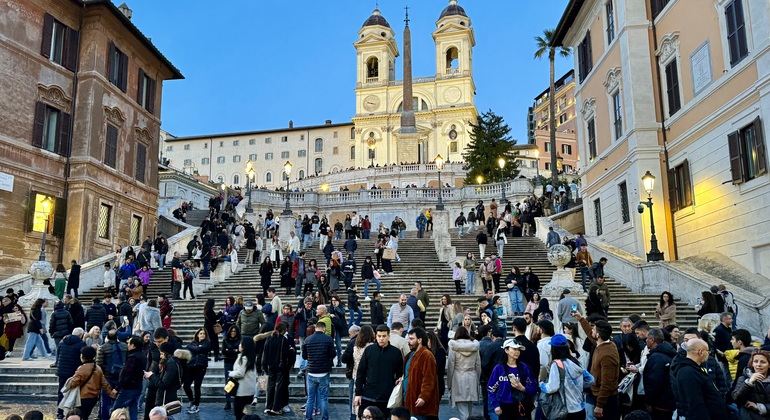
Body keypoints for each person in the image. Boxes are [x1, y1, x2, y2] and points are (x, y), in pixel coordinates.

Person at [575, 312, 620, 420]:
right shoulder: (603, 344)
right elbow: (590, 334)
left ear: (598, 335)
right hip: (600, 396)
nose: (592, 331)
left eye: (594, 329)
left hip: (607, 400)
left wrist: (600, 405)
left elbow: (607, 382)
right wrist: (581, 319)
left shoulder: (607, 354)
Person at [670, 338, 729, 419]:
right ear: (700, 352)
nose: (708, 354)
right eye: (707, 351)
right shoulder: (688, 372)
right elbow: (695, 403)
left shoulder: (695, 369)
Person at [539, 334, 592, 419]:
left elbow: (552, 387)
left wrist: (542, 385)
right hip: (580, 408)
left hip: (566, 410)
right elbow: (590, 379)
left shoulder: (557, 364)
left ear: (554, 349)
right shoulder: (575, 361)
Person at [355, 325, 403, 418]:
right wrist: (358, 393)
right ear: (375, 336)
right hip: (368, 394)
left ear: (389, 336)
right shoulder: (369, 350)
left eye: (384, 336)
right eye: (379, 336)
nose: (381, 339)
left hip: (386, 396)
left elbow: (399, 373)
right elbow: (361, 372)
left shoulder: (396, 352)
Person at [487, 338, 537, 419]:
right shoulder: (499, 368)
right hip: (504, 406)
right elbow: (490, 388)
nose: (517, 352)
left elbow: (534, 387)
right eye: (514, 349)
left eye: (518, 350)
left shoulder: (524, 367)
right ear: (506, 350)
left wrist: (523, 388)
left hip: (521, 405)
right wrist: (495, 405)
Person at [403, 327, 439, 419]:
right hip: (410, 402)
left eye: (411, 339)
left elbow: (429, 379)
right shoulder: (410, 355)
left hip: (421, 406)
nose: (409, 342)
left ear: (419, 340)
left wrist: (423, 396)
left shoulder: (427, 355)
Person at [302, 321, 336, 420]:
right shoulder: (328, 339)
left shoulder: (307, 339)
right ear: (324, 328)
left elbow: (304, 356)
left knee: (310, 398)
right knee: (323, 398)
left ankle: (308, 418)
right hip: (324, 372)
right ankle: (324, 418)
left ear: (316, 328)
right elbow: (333, 354)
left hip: (311, 371)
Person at [642, 328, 676, 420]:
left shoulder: (656, 357)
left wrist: (649, 401)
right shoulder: (668, 353)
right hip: (669, 399)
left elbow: (654, 381)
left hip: (660, 402)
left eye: (647, 339)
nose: (645, 341)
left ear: (652, 340)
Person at [447, 326, 481, 420]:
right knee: (470, 408)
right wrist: (477, 378)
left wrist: (449, 383)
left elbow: (450, 366)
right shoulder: (474, 346)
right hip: (472, 376)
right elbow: (478, 365)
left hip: (458, 378)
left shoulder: (453, 346)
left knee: (462, 410)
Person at [262, 322, 295, 415]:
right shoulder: (283, 340)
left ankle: (269, 406)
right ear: (284, 330)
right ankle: (276, 407)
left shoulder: (269, 338)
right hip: (281, 366)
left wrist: (264, 365)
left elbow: (265, 353)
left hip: (270, 366)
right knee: (279, 387)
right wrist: (291, 351)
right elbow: (286, 353)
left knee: (271, 386)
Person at [112, 336, 147, 420]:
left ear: (133, 345)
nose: (127, 345)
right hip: (138, 385)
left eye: (129, 343)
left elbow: (126, 373)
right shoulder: (143, 356)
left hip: (129, 387)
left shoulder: (132, 357)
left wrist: (117, 387)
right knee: (133, 409)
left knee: (116, 409)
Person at [96, 329, 128, 420]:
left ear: (107, 337)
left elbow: (99, 364)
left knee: (105, 401)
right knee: (119, 401)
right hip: (121, 377)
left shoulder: (102, 348)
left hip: (107, 377)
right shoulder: (125, 347)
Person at [56, 328, 86, 419]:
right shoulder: (81, 344)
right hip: (74, 371)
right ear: (80, 335)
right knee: (74, 393)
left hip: (62, 371)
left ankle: (60, 412)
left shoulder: (62, 342)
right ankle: (74, 412)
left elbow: (58, 356)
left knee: (61, 391)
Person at [731, 349, 770, 419]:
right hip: (748, 416)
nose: (758, 365)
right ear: (752, 363)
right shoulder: (743, 378)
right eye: (755, 361)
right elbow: (736, 398)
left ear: (769, 365)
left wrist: (760, 407)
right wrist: (749, 383)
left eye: (763, 362)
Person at [228, 335, 258, 420]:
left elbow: (240, 373)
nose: (239, 345)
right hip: (248, 390)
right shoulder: (250, 357)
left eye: (241, 344)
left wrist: (231, 373)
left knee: (238, 413)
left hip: (242, 391)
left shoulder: (244, 358)